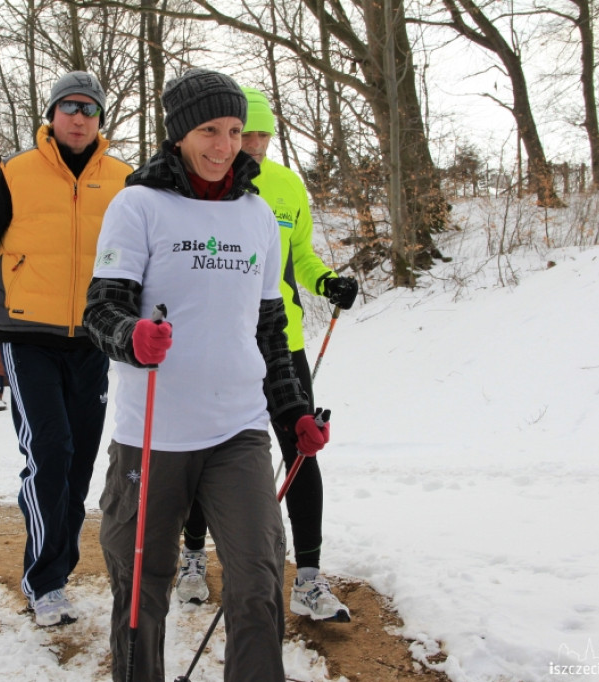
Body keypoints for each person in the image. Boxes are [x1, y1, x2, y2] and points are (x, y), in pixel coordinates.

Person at [82, 68, 329, 682]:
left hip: (237, 428)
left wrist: (293, 412)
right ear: (178, 135)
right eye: (209, 130)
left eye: (235, 130)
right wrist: (132, 338)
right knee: (143, 587)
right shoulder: (138, 204)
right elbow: (102, 308)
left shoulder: (255, 216)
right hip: (154, 432)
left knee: (258, 577)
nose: (224, 145)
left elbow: (270, 330)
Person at [0, 71, 132, 627]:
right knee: (50, 452)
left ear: (100, 118)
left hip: (93, 338)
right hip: (26, 334)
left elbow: (147, 250)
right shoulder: (16, 174)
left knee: (80, 462)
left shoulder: (123, 180)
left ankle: (58, 572)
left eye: (90, 108)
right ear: (52, 113)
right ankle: (43, 580)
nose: (80, 117)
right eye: (69, 107)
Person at [174, 87, 359, 622]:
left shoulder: (285, 186)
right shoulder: (203, 185)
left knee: (302, 450)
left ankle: (308, 577)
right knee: (210, 450)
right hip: (222, 342)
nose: (251, 143)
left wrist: (326, 282)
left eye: (260, 134)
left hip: (285, 342)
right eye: (243, 132)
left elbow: (299, 254)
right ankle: (191, 557)